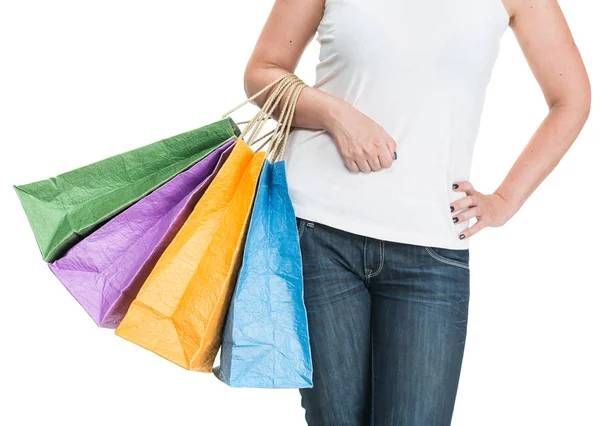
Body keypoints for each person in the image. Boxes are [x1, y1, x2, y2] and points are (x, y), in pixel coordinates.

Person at [242, 0, 590, 425]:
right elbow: (263, 73)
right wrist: (336, 115)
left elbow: (571, 99)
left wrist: (504, 201)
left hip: (431, 251)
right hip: (319, 232)